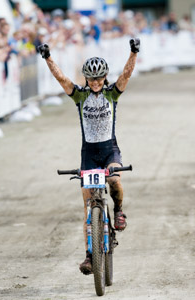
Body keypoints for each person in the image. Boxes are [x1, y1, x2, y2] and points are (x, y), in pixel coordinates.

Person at [38, 38, 140, 275]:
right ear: (87, 78)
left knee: (114, 180)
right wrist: (48, 57)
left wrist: (134, 52)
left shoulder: (112, 94)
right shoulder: (80, 96)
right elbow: (62, 79)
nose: (95, 82)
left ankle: (118, 210)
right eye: (92, 78)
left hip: (109, 150)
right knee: (87, 208)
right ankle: (89, 256)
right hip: (88, 155)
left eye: (100, 78)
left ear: (105, 77)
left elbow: (126, 74)